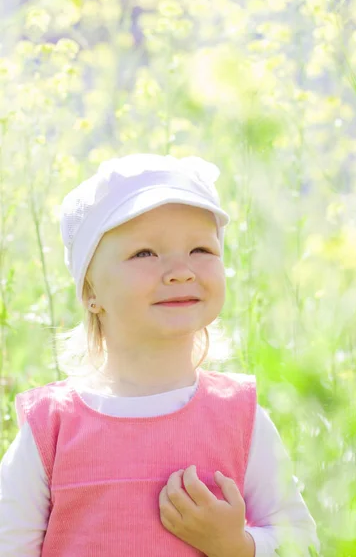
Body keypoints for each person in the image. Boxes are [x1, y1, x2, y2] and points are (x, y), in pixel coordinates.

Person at [0, 153, 320, 556]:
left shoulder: (238, 415)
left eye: (201, 249)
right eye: (145, 254)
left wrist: (237, 546)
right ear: (91, 291)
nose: (181, 271)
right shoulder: (52, 425)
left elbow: (301, 542)